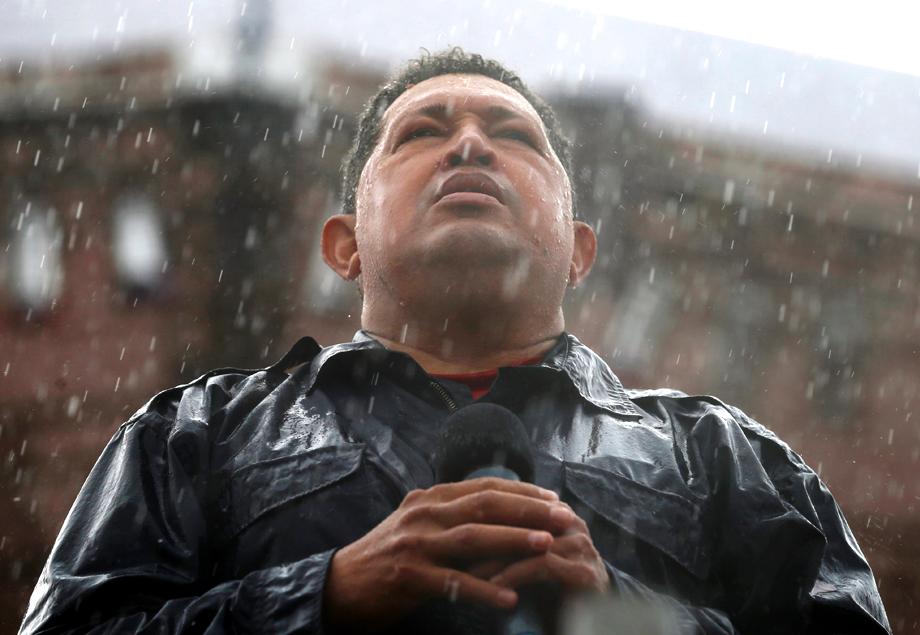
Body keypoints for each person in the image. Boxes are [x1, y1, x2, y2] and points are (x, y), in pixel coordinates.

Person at [20, 48, 890, 634]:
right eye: (421, 133)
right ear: (343, 245)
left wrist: (616, 612)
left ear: (580, 249)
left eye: (513, 137)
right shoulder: (197, 436)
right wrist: (327, 593)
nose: (470, 143)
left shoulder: (724, 459)